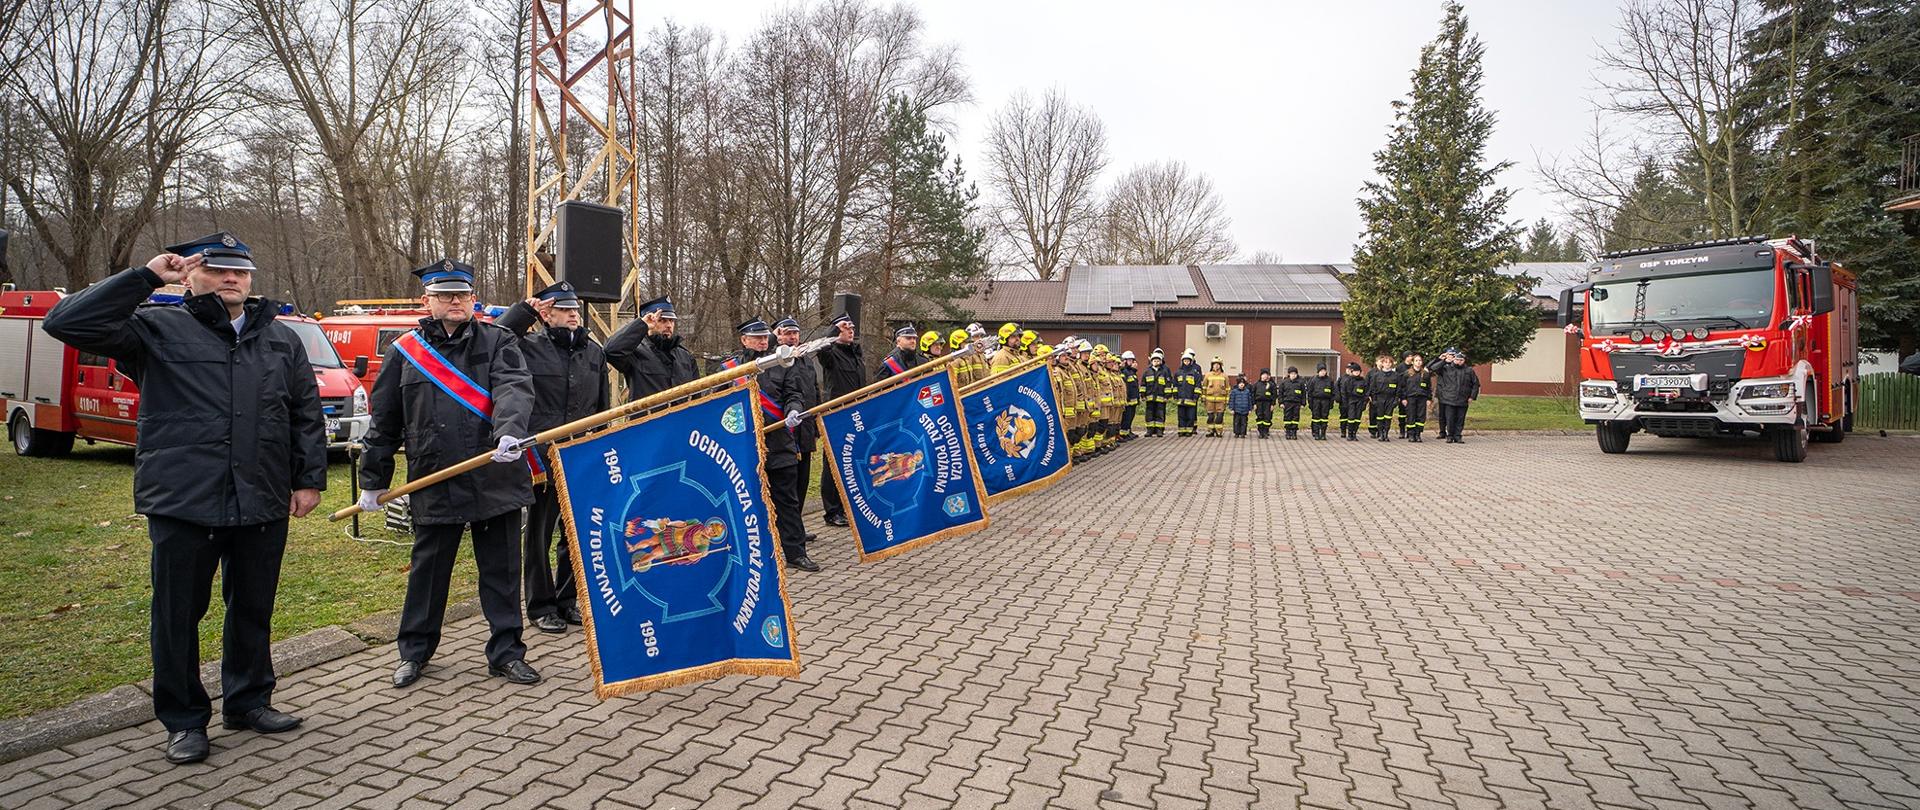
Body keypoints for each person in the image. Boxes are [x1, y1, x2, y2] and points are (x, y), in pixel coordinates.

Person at [42, 232, 326, 765]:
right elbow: (65, 323)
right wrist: (145, 278)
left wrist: (307, 478)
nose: (230, 278)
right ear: (190, 275)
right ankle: (184, 720)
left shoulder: (280, 338)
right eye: (216, 269)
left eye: (239, 270)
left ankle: (248, 701)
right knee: (177, 614)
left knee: (253, 608)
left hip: (261, 494)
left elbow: (303, 413)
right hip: (184, 499)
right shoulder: (155, 327)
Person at [358, 259, 541, 690]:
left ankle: (507, 653)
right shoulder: (404, 351)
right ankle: (414, 653)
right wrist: (373, 479)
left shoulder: (499, 341)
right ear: (427, 300)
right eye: (445, 295)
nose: (455, 301)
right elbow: (384, 420)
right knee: (429, 572)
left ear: (473, 299)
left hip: (493, 471)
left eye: (462, 294)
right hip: (434, 475)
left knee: (500, 571)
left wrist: (510, 433)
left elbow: (514, 388)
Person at [494, 282, 609, 634]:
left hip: (581, 453)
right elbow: (494, 338)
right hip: (540, 457)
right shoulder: (527, 346)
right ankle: (541, 605)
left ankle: (568, 598)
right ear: (547, 314)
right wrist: (524, 310)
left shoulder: (593, 351)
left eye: (576, 309)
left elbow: (602, 405)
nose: (574, 314)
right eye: (565, 308)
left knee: (574, 532)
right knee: (539, 536)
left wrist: (601, 444)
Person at [728, 319, 817, 570]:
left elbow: (794, 394)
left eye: (765, 337)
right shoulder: (729, 368)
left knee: (787, 502)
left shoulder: (783, 363)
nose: (763, 341)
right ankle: (750, 554)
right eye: (757, 337)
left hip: (779, 443)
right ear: (744, 340)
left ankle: (795, 552)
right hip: (743, 448)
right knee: (747, 502)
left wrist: (794, 410)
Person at [776, 317, 822, 548]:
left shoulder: (804, 359)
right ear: (778, 336)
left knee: (803, 481)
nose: (792, 337)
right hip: (786, 434)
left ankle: (798, 527)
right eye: (787, 334)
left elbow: (813, 392)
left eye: (795, 333)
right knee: (788, 487)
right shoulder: (776, 361)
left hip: (805, 429)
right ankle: (784, 531)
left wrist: (815, 426)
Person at [814, 313, 863, 527]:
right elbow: (821, 348)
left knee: (851, 461)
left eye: (852, 327)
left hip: (856, 413)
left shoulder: (855, 354)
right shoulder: (831, 354)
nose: (850, 330)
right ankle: (832, 511)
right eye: (845, 328)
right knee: (832, 461)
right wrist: (834, 330)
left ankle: (846, 507)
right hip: (837, 413)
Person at [605, 296, 697, 400]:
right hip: (648, 416)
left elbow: (696, 395)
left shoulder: (685, 357)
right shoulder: (636, 352)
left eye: (671, 321)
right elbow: (610, 351)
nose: (669, 325)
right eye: (662, 320)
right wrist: (641, 325)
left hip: (681, 416)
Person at [1433, 347, 1481, 443]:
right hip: (1449, 398)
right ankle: (1450, 436)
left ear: (1464, 360)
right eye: (1457, 359)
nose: (1459, 361)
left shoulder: (1469, 370)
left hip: (1463, 399)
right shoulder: (1446, 368)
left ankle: (1458, 436)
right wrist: (1444, 360)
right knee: (1450, 419)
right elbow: (1434, 368)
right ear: (1454, 360)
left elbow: (1476, 384)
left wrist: (1472, 396)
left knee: (1460, 419)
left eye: (1461, 360)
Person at [1367, 354, 1403, 442]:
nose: (1387, 364)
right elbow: (1373, 388)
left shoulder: (1396, 376)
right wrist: (1374, 399)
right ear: (1382, 364)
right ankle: (1380, 434)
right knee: (1380, 417)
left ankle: (1386, 433)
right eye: (1385, 362)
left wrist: (1396, 399)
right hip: (1380, 398)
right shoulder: (1376, 375)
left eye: (1389, 362)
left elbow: (1399, 389)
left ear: (1391, 364)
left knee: (1388, 417)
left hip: (1390, 399)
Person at [1400, 353, 1433, 442]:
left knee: (1420, 417)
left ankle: (1418, 434)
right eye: (1416, 361)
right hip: (1411, 398)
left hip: (1422, 398)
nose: (1418, 362)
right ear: (1412, 362)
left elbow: (1429, 387)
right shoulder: (1407, 374)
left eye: (1420, 361)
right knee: (1411, 416)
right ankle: (1411, 434)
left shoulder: (1425, 374)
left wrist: (1429, 398)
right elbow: (1403, 387)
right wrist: (1403, 398)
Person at [1140, 350, 1172, 436]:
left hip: (1160, 398)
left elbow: (1167, 385)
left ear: (1161, 361)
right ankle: (1149, 430)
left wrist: (1167, 396)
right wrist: (1142, 395)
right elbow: (1143, 384)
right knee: (1149, 414)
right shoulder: (1147, 372)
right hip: (1149, 398)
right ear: (1151, 361)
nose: (1156, 362)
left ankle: (1159, 430)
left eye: (1158, 360)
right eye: (1154, 361)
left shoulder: (1164, 372)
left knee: (1159, 414)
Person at [1336, 361, 1368, 441]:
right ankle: (1349, 434)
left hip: (1360, 401)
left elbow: (1366, 393)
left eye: (1358, 371)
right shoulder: (1348, 380)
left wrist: (1364, 403)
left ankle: (1354, 433)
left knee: (1357, 418)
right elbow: (1344, 392)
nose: (1357, 373)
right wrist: (1345, 403)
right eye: (1355, 371)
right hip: (1351, 401)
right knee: (1351, 417)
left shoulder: (1363, 381)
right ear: (1352, 372)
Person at [1174, 350, 1202, 437]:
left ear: (1191, 361)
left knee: (1190, 416)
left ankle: (1189, 431)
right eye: (1185, 361)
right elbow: (1175, 385)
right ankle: (1181, 430)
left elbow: (1198, 386)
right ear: (1182, 361)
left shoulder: (1194, 373)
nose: (1186, 362)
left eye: (1188, 361)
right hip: (1181, 400)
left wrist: (1196, 396)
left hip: (1191, 400)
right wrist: (1175, 395)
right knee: (1181, 416)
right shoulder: (1178, 372)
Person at [1201, 358, 1230, 438]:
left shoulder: (1224, 376)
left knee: (1219, 417)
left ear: (1220, 366)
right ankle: (1210, 431)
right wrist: (1203, 398)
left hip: (1221, 401)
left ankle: (1219, 431)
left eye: (1218, 364)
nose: (1216, 366)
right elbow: (1204, 387)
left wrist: (1227, 400)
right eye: (1214, 364)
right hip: (1209, 400)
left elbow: (1227, 388)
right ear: (1212, 366)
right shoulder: (1208, 375)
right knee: (1210, 417)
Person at [1306, 363, 1336, 440]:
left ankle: (1323, 433)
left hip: (1326, 402)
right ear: (1318, 371)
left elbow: (1333, 393)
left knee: (1324, 418)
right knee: (1316, 418)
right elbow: (1310, 392)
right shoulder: (1313, 380)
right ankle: (1316, 433)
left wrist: (1331, 403)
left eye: (1324, 370)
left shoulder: (1330, 380)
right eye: (1321, 371)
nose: (1323, 372)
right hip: (1316, 401)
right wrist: (1310, 403)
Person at [1118, 350, 1140, 440]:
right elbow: (1125, 386)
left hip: (1133, 400)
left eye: (1132, 360)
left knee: (1130, 417)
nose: (1132, 362)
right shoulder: (1124, 372)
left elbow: (1134, 386)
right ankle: (1123, 434)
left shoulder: (1132, 372)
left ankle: (1128, 431)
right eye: (1130, 360)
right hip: (1128, 400)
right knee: (1126, 418)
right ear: (1125, 361)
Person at [1250, 368, 1278, 438]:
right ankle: (1260, 431)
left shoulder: (1271, 385)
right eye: (1263, 375)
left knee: (1267, 417)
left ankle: (1265, 431)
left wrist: (1272, 404)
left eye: (1266, 375)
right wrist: (1254, 404)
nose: (1265, 376)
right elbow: (1252, 394)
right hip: (1258, 403)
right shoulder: (1256, 384)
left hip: (1268, 403)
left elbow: (1274, 395)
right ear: (1261, 376)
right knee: (1260, 417)